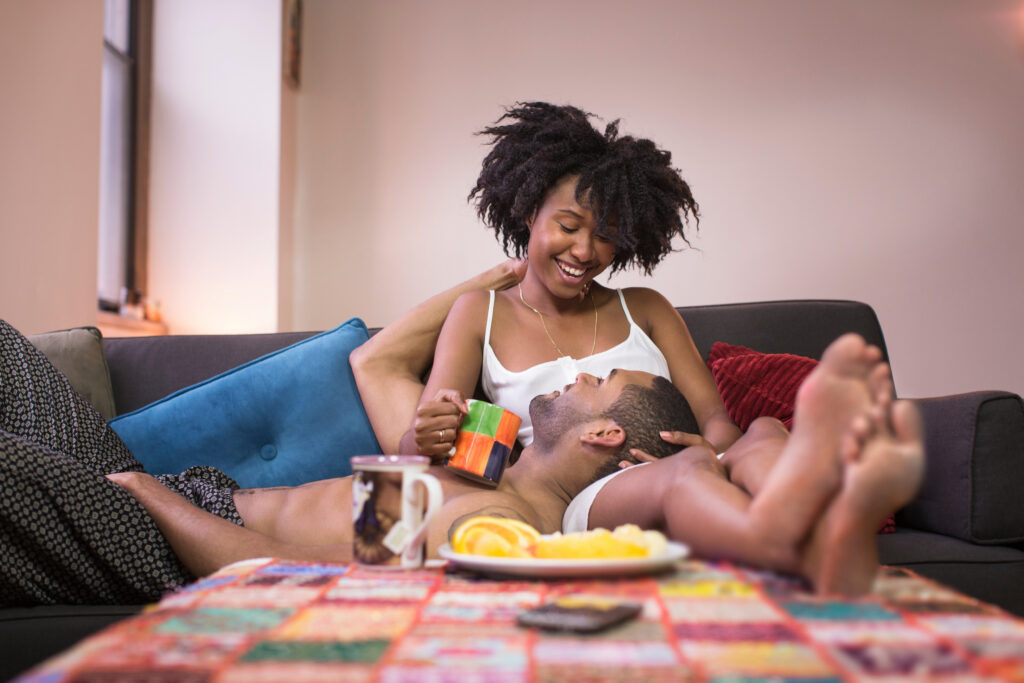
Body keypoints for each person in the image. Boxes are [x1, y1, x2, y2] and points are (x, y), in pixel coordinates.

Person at [1, 317, 922, 605]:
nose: (573, 372)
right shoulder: (492, 462)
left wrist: (150, 500)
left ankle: (800, 523)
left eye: (595, 379)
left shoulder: (478, 523)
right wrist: (489, 294)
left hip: (173, 532)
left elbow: (273, 574)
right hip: (186, 496)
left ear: (606, 439)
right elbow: (387, 377)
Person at [351, 101, 742, 463]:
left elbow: (718, 422)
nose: (585, 251)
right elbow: (422, 446)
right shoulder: (478, 314)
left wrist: (709, 456)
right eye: (568, 226)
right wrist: (422, 438)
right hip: (565, 511)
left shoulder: (646, 308)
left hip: (678, 482)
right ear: (529, 213)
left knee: (767, 434)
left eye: (605, 236)